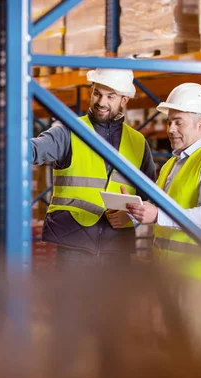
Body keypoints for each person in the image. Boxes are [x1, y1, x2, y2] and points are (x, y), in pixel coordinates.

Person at [124, 82, 201, 360]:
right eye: (169, 122)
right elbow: (165, 211)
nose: (170, 129)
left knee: (199, 357)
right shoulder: (171, 165)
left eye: (178, 122)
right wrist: (137, 210)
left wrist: (157, 214)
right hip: (169, 274)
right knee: (174, 356)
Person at [30, 68, 157, 267]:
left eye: (110, 96)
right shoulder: (68, 131)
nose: (101, 102)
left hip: (116, 248)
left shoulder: (138, 143)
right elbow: (33, 150)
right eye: (97, 93)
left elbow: (149, 198)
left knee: (113, 300)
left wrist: (130, 217)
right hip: (74, 244)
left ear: (124, 100)